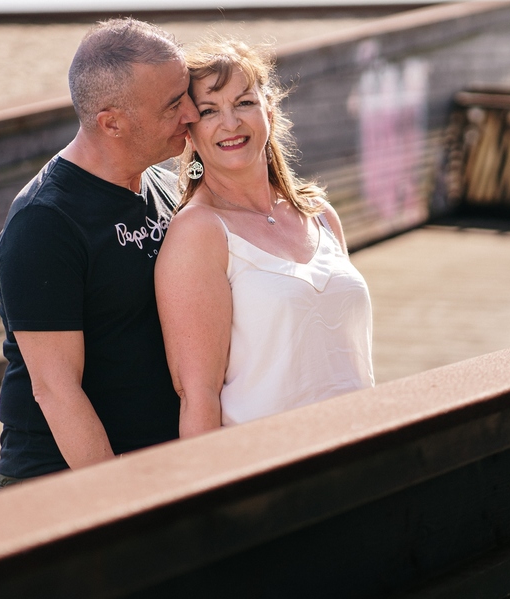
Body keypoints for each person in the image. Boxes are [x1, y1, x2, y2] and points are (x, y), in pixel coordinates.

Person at [0, 18, 199, 488]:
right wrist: (115, 504)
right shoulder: (44, 224)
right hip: (63, 487)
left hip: (159, 467)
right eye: (173, 104)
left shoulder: (163, 184)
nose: (192, 112)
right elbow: (55, 389)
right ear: (112, 122)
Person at [154, 40, 374, 435]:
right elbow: (198, 395)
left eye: (244, 103)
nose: (231, 123)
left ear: (269, 108)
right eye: (209, 111)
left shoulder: (320, 215)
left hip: (362, 447)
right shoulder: (199, 232)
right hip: (269, 469)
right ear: (188, 132)